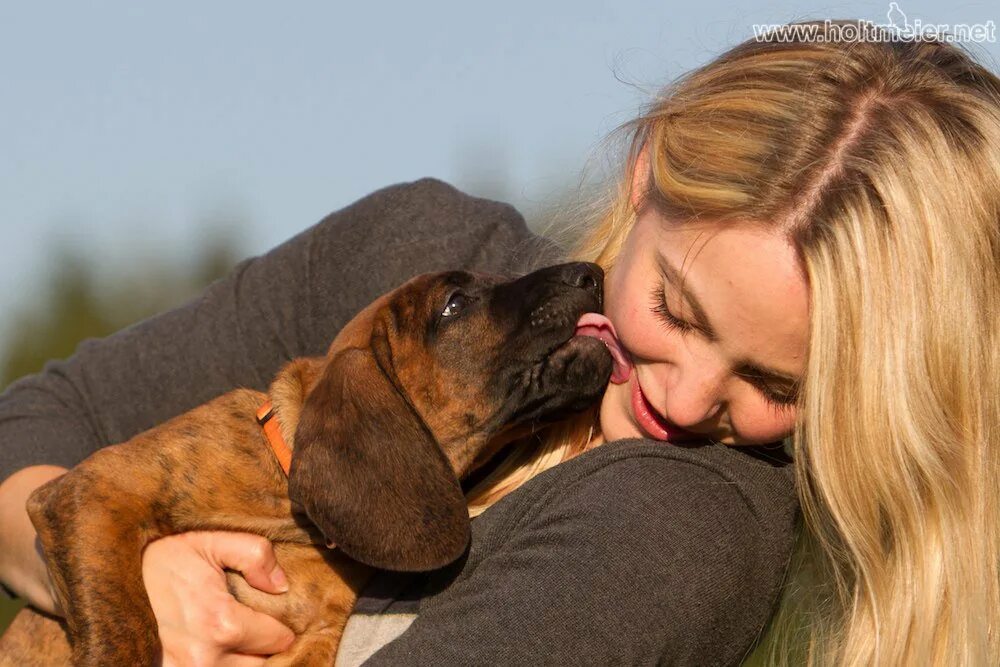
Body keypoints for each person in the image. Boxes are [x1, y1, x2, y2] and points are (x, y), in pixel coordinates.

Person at [1, 18, 997, 665]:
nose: (688, 402)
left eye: (776, 380)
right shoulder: (415, 270)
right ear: (645, 174)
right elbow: (34, 425)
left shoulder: (685, 520)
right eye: (679, 310)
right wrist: (119, 591)